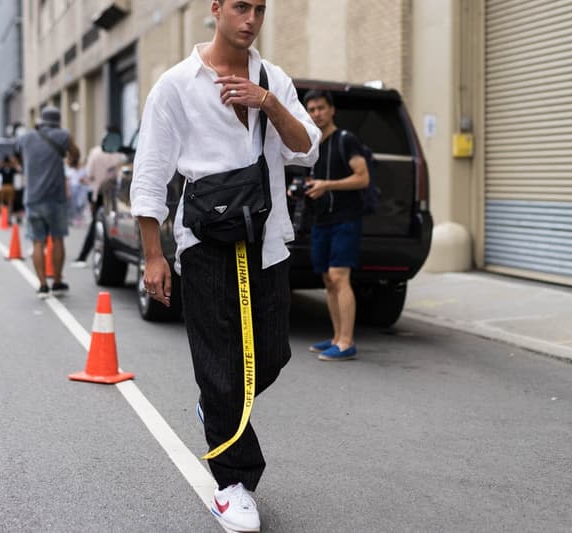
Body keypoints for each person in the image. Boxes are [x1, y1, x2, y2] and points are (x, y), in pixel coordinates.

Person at [130, 1, 320, 530]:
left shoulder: (273, 79)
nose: (251, 18)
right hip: (206, 244)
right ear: (215, 8)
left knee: (272, 355)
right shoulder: (176, 85)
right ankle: (233, 482)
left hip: (268, 242)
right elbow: (150, 172)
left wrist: (268, 103)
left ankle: (218, 405)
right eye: (240, 6)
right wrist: (153, 255)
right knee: (218, 365)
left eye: (260, 8)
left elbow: (306, 149)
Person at [302, 90, 369, 362]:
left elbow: (362, 178)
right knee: (328, 280)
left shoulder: (346, 139)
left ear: (332, 110)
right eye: (311, 109)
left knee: (339, 276)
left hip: (345, 219)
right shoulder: (314, 144)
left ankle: (346, 342)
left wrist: (327, 185)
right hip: (321, 220)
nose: (316, 113)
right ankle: (336, 337)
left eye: (321, 108)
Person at [15, 105, 79, 298]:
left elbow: (16, 152)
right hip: (55, 199)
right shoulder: (63, 135)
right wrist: (70, 161)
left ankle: (42, 285)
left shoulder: (26, 137)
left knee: (38, 242)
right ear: (58, 121)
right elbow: (75, 154)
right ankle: (57, 281)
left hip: (33, 198)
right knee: (58, 239)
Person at [71, 126, 126, 267]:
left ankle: (83, 256)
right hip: (115, 195)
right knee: (112, 225)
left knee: (97, 224)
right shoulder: (122, 156)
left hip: (98, 194)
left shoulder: (95, 153)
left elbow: (89, 174)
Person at [0, 155, 20, 223]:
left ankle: (3, 216)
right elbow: (18, 172)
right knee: (10, 203)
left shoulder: (2, 168)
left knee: (2, 202)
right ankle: (8, 218)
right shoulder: (12, 168)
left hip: (3, 186)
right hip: (10, 187)